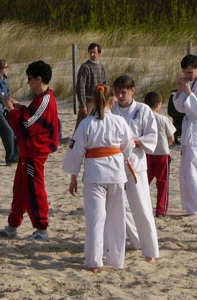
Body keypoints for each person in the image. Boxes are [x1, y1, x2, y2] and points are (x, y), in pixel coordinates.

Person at [63, 85, 134, 271]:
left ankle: (94, 262)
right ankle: (116, 260)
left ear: (94, 101)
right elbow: (128, 146)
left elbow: (76, 151)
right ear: (113, 101)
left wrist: (73, 176)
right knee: (116, 218)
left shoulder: (87, 124)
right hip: (116, 173)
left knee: (95, 219)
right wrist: (122, 158)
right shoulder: (119, 121)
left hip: (95, 174)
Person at [0, 60, 60, 240]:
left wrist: (11, 110)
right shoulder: (40, 99)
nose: (28, 82)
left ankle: (41, 229)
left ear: (39, 79)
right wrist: (19, 107)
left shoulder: (45, 99)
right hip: (28, 151)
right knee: (20, 189)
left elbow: (27, 125)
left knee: (34, 189)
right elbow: (30, 116)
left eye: (30, 78)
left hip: (35, 152)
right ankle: (12, 226)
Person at [110, 75, 159, 263]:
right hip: (115, 165)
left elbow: (152, 136)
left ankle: (151, 251)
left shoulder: (143, 110)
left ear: (132, 91)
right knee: (117, 207)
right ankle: (136, 241)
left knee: (142, 207)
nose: (120, 96)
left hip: (136, 165)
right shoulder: (111, 108)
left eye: (124, 92)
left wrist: (135, 141)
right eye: (117, 92)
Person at [144, 91, 176, 217]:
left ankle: (143, 207)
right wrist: (167, 144)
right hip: (162, 153)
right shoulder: (163, 119)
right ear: (158, 104)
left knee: (145, 181)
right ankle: (160, 210)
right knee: (162, 183)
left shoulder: (144, 118)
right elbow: (171, 138)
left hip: (147, 153)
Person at [174, 54, 197, 215]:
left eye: (190, 72)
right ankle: (190, 206)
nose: (187, 76)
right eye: (185, 73)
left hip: (195, 130)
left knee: (191, 169)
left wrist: (189, 93)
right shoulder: (191, 83)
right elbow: (180, 108)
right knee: (186, 170)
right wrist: (180, 90)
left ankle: (194, 207)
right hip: (189, 130)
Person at [75, 43, 107, 129]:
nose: (92, 55)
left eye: (94, 52)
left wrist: (104, 101)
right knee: (81, 126)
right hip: (88, 102)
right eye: (90, 52)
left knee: (97, 125)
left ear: (99, 53)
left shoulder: (101, 67)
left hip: (99, 101)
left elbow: (104, 84)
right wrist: (83, 104)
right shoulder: (85, 67)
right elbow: (80, 87)